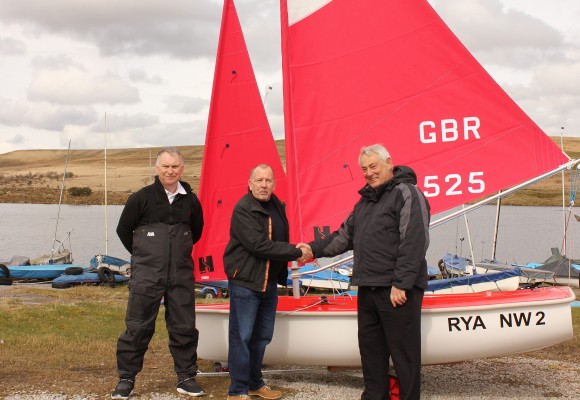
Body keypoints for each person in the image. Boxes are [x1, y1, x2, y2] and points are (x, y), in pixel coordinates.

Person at [299, 144, 430, 400]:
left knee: (404, 355)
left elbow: (415, 240)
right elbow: (342, 237)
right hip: (368, 287)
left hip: (396, 291)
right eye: (364, 169)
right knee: (371, 354)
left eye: (373, 166)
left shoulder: (408, 193)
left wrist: (401, 284)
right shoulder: (364, 202)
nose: (369, 173)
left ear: (389, 163)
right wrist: (311, 249)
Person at [112, 147, 205, 399]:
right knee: (138, 327)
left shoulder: (191, 201)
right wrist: (145, 255)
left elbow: (196, 232)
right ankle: (126, 379)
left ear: (182, 169)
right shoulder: (140, 198)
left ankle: (186, 377)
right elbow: (123, 230)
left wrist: (173, 254)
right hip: (147, 276)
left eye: (175, 166)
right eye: (165, 166)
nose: (170, 171)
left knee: (184, 327)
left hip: (180, 275)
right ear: (157, 168)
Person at [223, 164, 312, 400]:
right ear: (250, 183)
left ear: (274, 184)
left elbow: (279, 239)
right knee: (241, 337)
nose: (264, 185)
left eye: (268, 181)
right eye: (259, 180)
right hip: (246, 282)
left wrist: (297, 252)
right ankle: (238, 390)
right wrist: (296, 251)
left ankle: (255, 383)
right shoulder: (243, 208)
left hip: (268, 284)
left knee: (262, 337)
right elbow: (258, 245)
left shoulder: (277, 206)